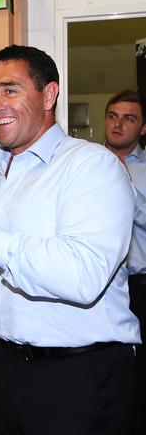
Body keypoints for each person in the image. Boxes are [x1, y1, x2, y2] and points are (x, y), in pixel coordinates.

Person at [0, 45, 140, 434]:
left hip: (79, 375)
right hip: (4, 366)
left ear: (48, 95)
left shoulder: (92, 167)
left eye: (10, 89)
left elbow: (82, 277)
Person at [104, 89, 146, 434]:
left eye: (129, 118)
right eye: (113, 116)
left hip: (141, 286)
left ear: (143, 128)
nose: (118, 124)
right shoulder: (85, 163)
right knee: (107, 373)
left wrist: (126, 187)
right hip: (100, 288)